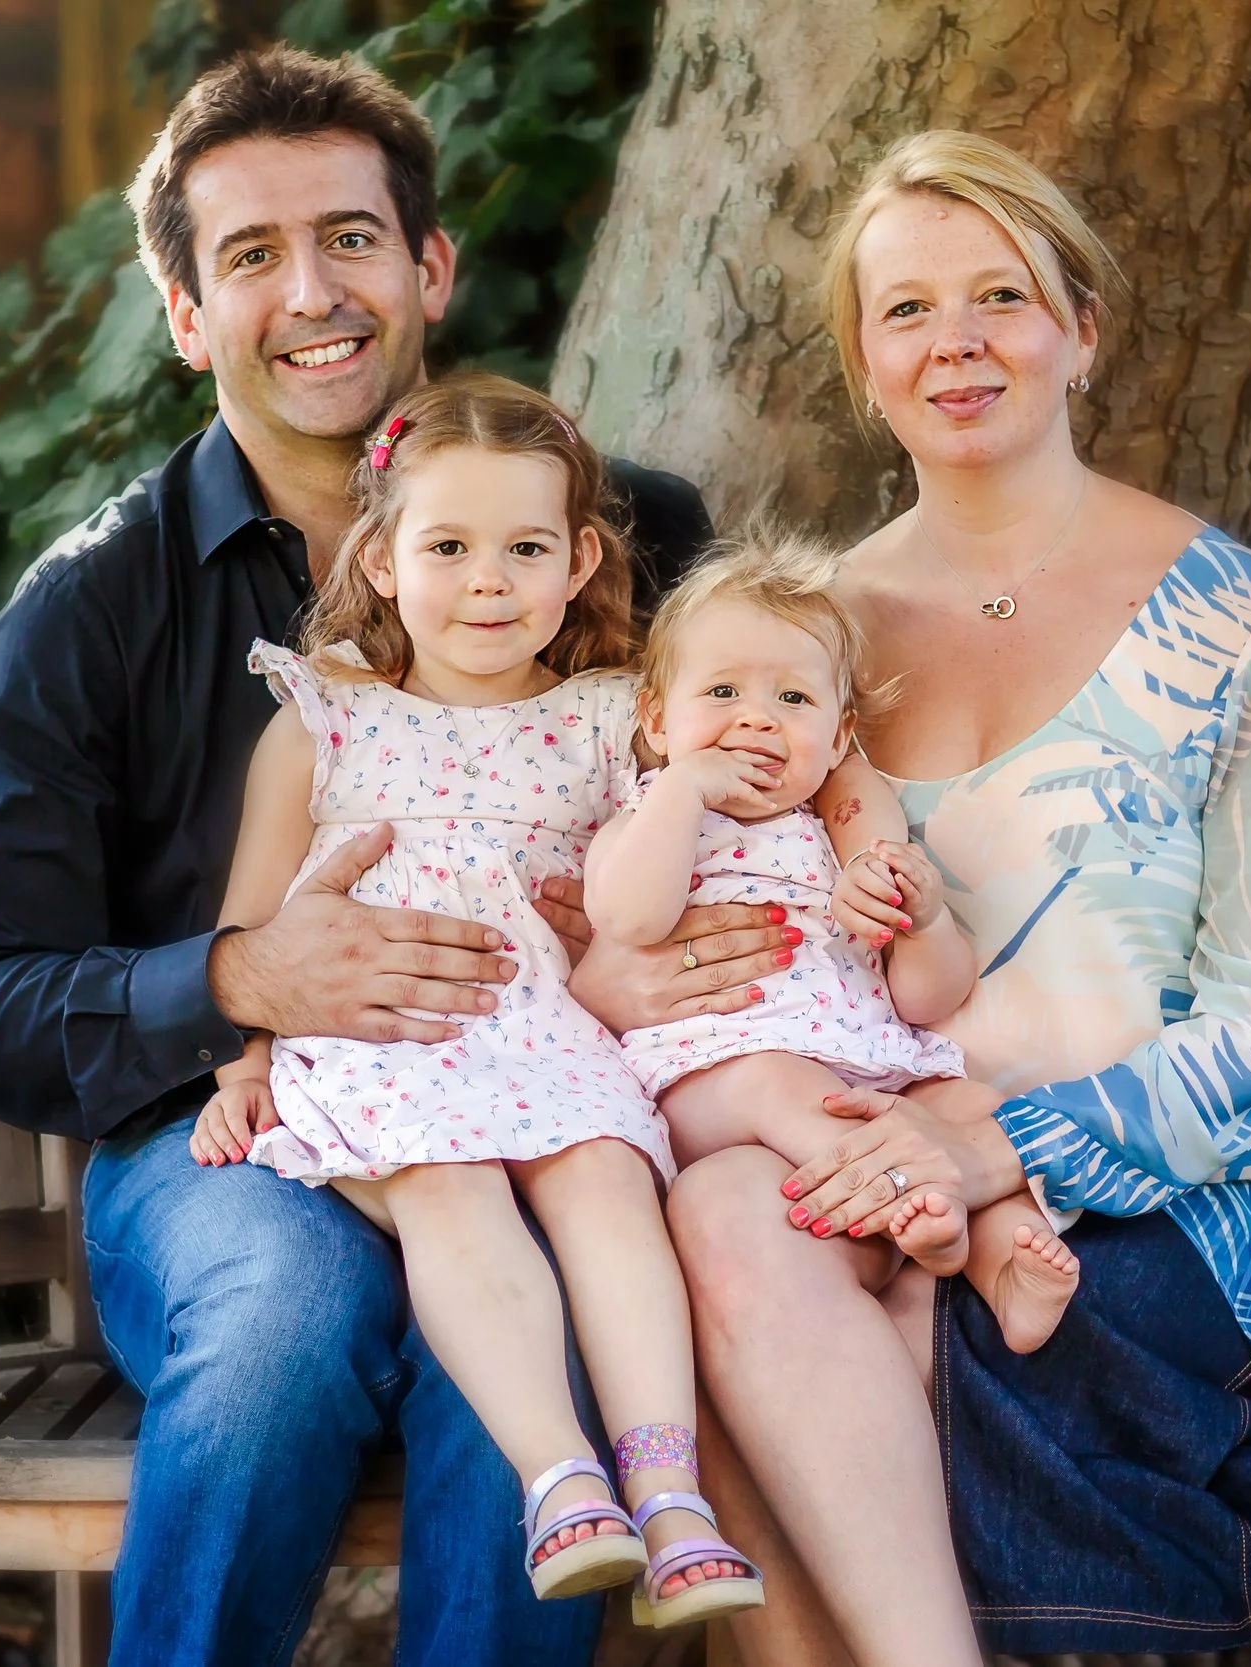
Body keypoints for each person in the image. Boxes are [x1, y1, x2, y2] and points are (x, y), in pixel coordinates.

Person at [0, 46, 780, 1666]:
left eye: (352, 237)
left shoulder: (635, 535)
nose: (312, 291)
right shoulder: (95, 607)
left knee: (559, 1334)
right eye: (250, 255)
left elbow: (763, 784)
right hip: (231, 1136)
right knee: (280, 1326)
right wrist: (239, 975)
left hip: (547, 1093)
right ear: (186, 316)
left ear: (429, 267)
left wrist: (684, 942)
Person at [650, 131, 1251, 1665]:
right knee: (720, 1214)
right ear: (864, 362)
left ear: (1083, 330)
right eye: (908, 310)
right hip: (881, 1147)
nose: (959, 342)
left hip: (1203, 1176)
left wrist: (994, 1142)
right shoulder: (808, 646)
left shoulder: (1234, 617)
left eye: (1002, 295)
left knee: (897, 1319)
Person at [187, 373, 763, 1630]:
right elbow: (257, 923)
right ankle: (560, 1476)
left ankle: (667, 1491)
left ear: (580, 562)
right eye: (448, 546)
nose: (488, 580)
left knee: (605, 1174)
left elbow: (672, 871)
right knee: (451, 1182)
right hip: (382, 1031)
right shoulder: (325, 717)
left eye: (524, 548)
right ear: (381, 558)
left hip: (550, 1027)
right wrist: (246, 1064)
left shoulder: (616, 721)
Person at [583, 531, 1080, 1353]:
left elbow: (927, 999)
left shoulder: (836, 840)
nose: (756, 719)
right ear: (655, 718)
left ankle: (997, 1265)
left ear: (841, 735)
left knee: (973, 1105)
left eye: (793, 700)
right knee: (773, 1083)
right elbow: (630, 917)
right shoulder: (648, 818)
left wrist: (921, 922)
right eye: (722, 691)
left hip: (861, 1065)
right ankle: (906, 1200)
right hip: (712, 1075)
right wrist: (684, 787)